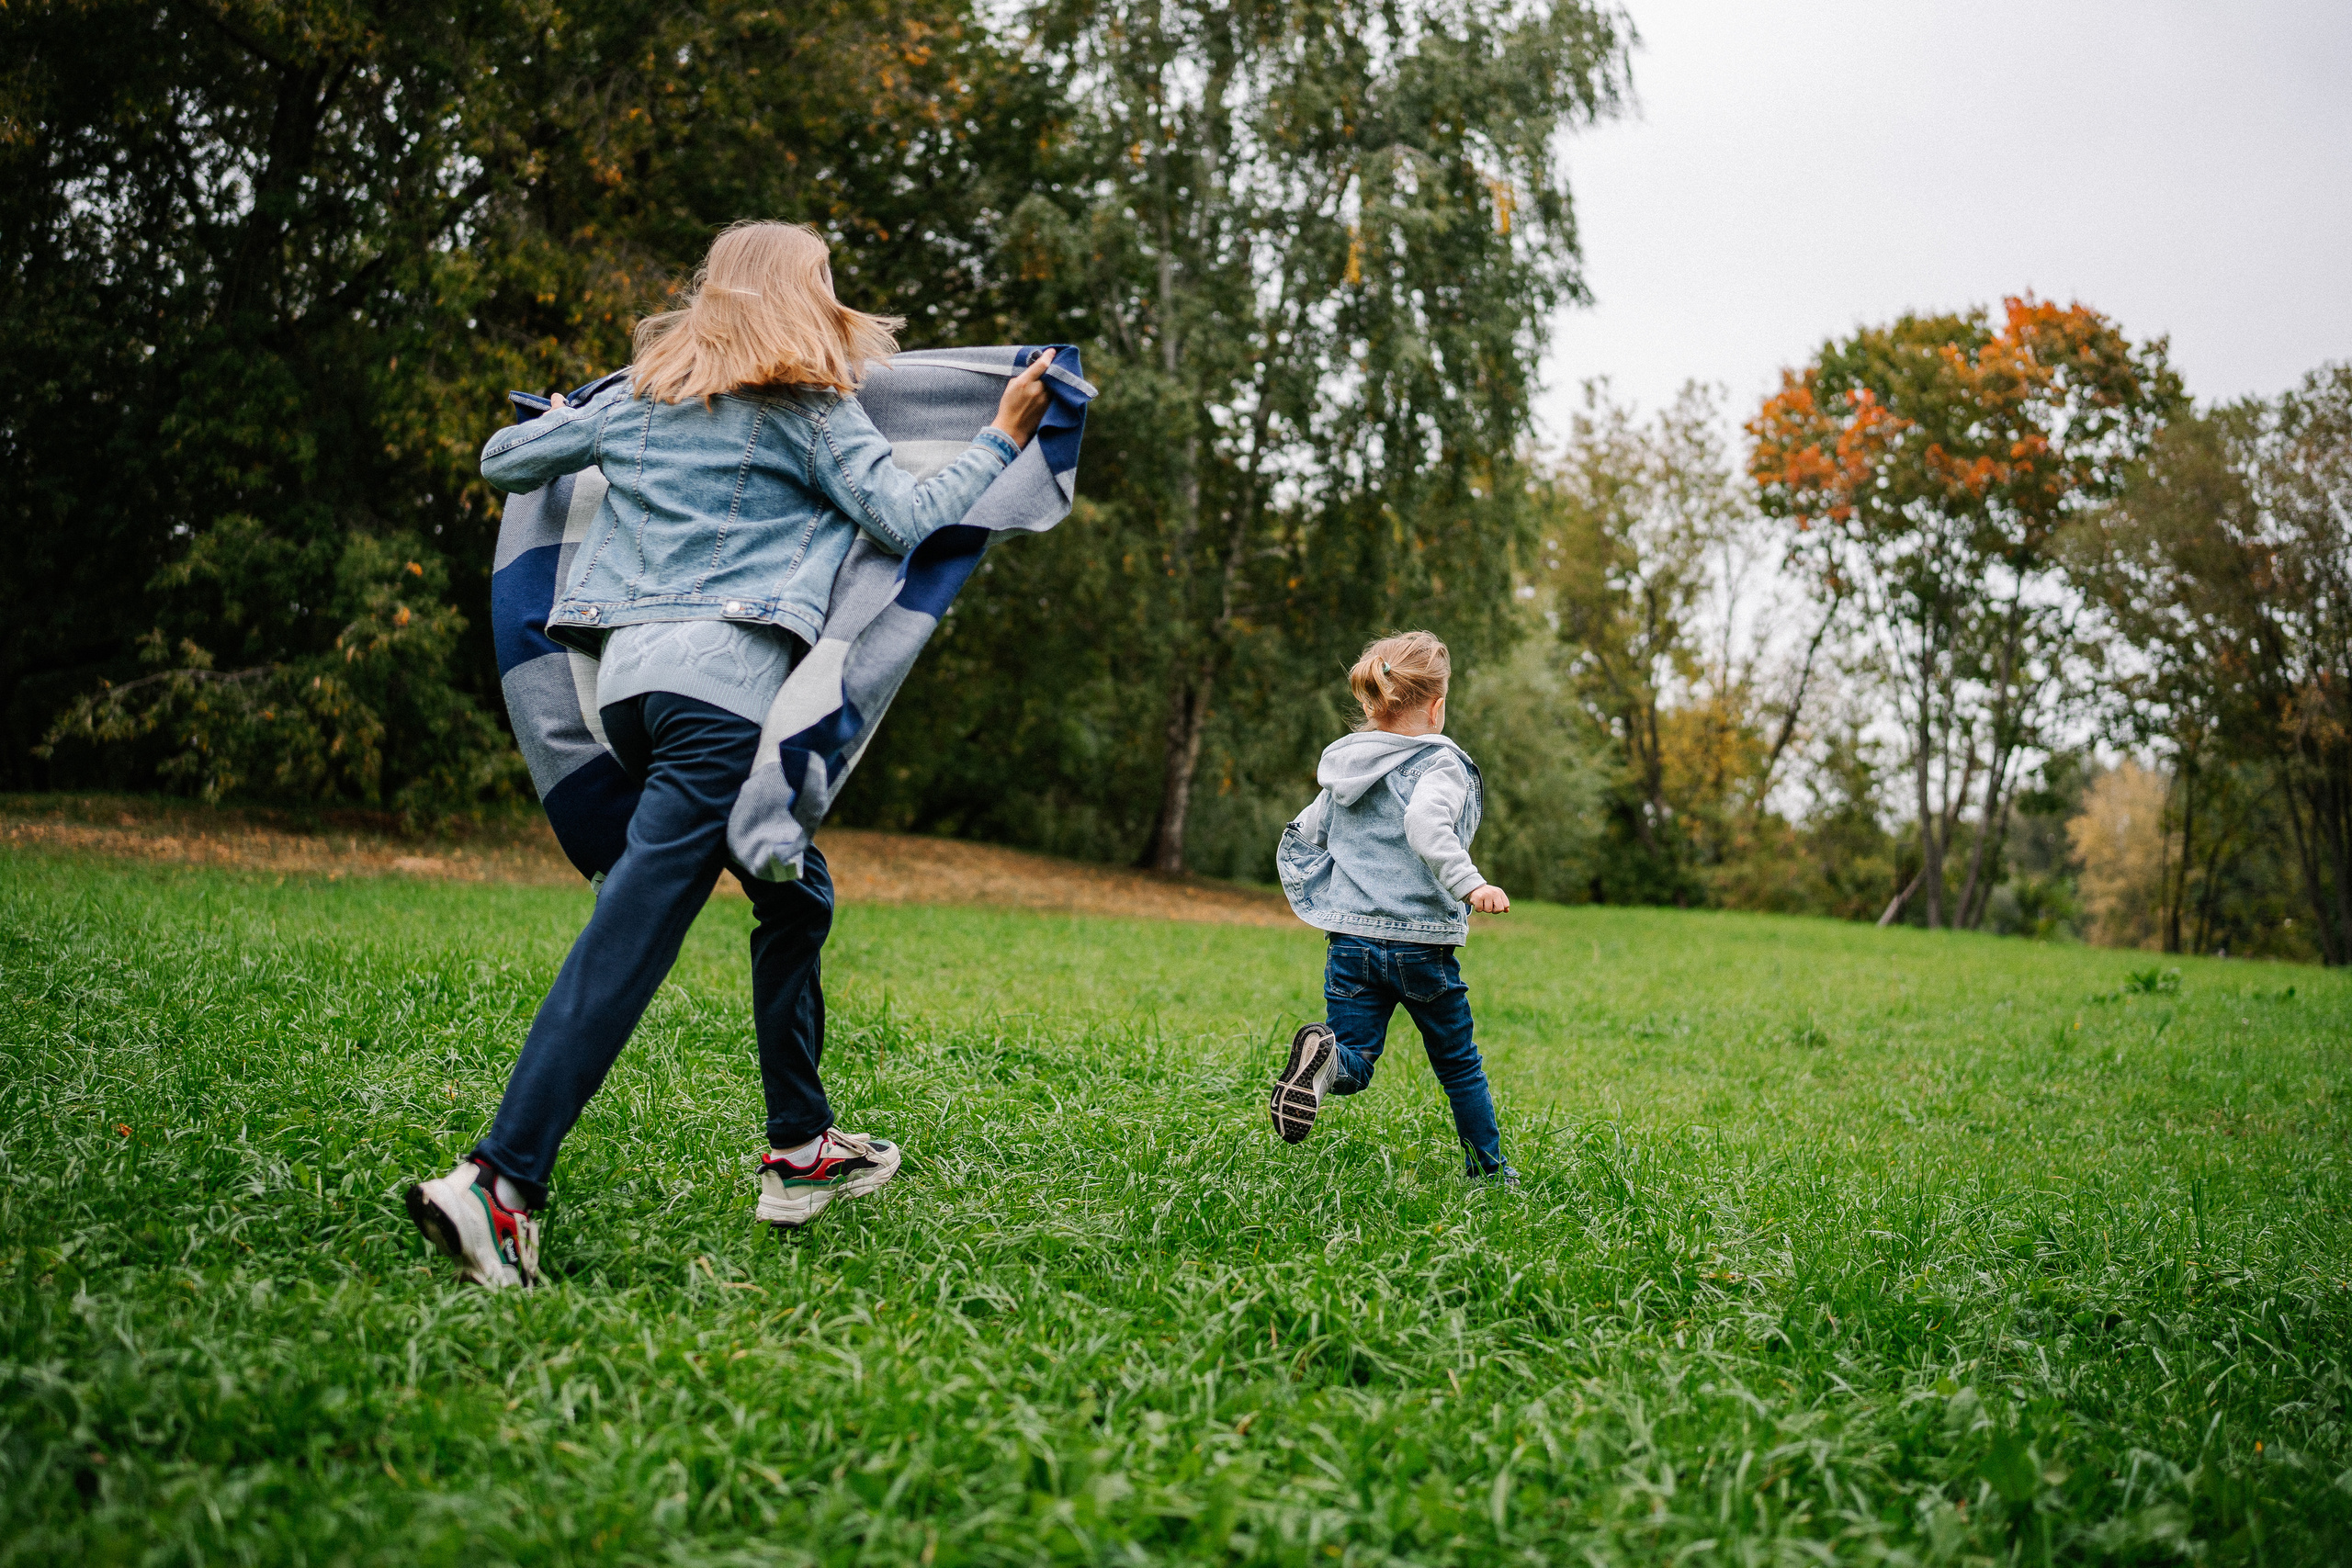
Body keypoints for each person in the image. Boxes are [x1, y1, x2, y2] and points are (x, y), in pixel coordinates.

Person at [405, 220, 1052, 1288]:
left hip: (631, 692)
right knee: (635, 927)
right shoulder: (807, 410)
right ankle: (499, 1182)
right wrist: (1001, 434)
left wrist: (577, 412)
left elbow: (504, 456)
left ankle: (801, 1150)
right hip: (725, 696)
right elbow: (902, 515)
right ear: (801, 296)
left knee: (792, 889)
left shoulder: (638, 402)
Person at [1269, 631, 1517, 1181]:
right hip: (1421, 947)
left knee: (1354, 1060)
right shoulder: (1440, 765)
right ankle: (1492, 1174)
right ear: (1438, 705)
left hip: (1351, 943)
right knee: (1459, 1067)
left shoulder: (1344, 769)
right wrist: (1470, 884)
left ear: (1370, 698)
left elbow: (1306, 833)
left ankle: (1325, 1061)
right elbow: (1426, 824)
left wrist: (1330, 896)